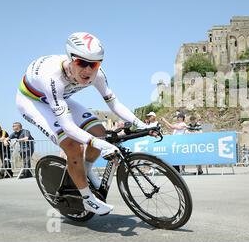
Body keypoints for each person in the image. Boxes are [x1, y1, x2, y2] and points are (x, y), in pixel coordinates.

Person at [15, 32, 152, 215]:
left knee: (99, 132)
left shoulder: (98, 75)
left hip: (60, 99)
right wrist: (101, 146)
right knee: (73, 146)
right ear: (71, 59)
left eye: (94, 64)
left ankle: (85, 170)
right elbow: (69, 127)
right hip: (33, 103)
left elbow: (114, 103)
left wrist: (141, 124)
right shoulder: (52, 77)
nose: (88, 70)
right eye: (81, 63)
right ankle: (87, 198)